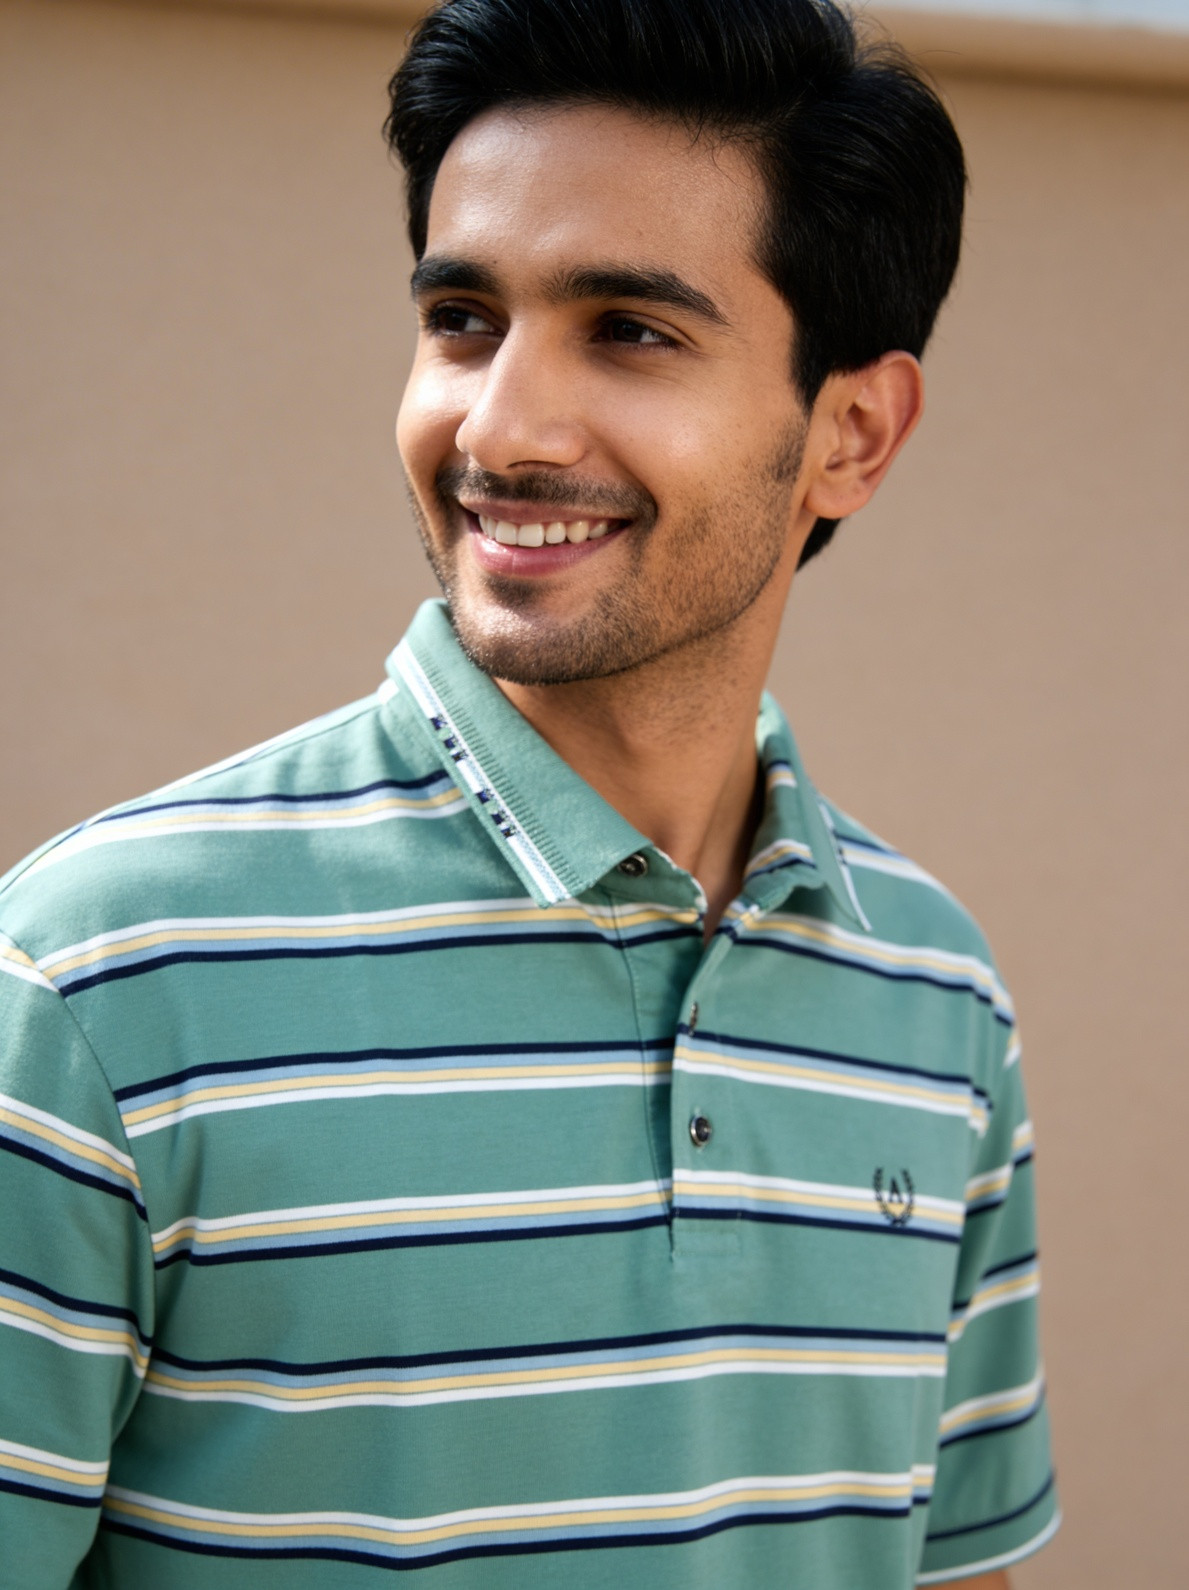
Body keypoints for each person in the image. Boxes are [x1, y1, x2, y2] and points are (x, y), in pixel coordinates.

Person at [0, 1, 1058, 1585]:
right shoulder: (91, 984)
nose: (498, 425)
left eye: (628, 329)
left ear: (849, 433)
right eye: (462, 319)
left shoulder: (935, 998)